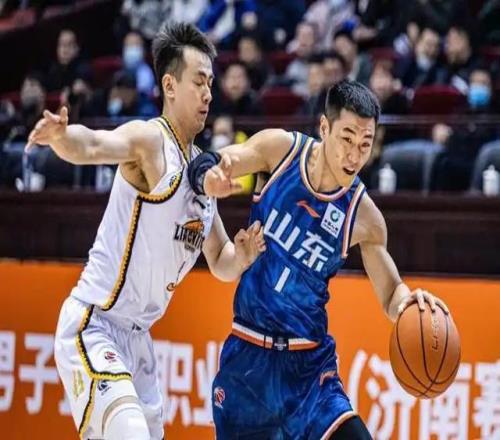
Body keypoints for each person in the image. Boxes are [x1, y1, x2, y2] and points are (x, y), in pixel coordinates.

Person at [25, 22, 265, 440]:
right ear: (170, 85)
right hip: (95, 323)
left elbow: (220, 261)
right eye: (198, 82)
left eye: (211, 83)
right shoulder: (150, 142)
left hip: (139, 343)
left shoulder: (203, 172)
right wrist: (61, 137)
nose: (208, 93)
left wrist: (242, 256)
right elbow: (94, 145)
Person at [189, 79, 449, 439]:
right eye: (347, 139)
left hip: (310, 371)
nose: (354, 155)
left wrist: (409, 304)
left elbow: (391, 293)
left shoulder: (364, 216)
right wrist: (208, 175)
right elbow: (219, 161)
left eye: (365, 144)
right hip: (248, 362)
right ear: (324, 128)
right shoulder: (280, 151)